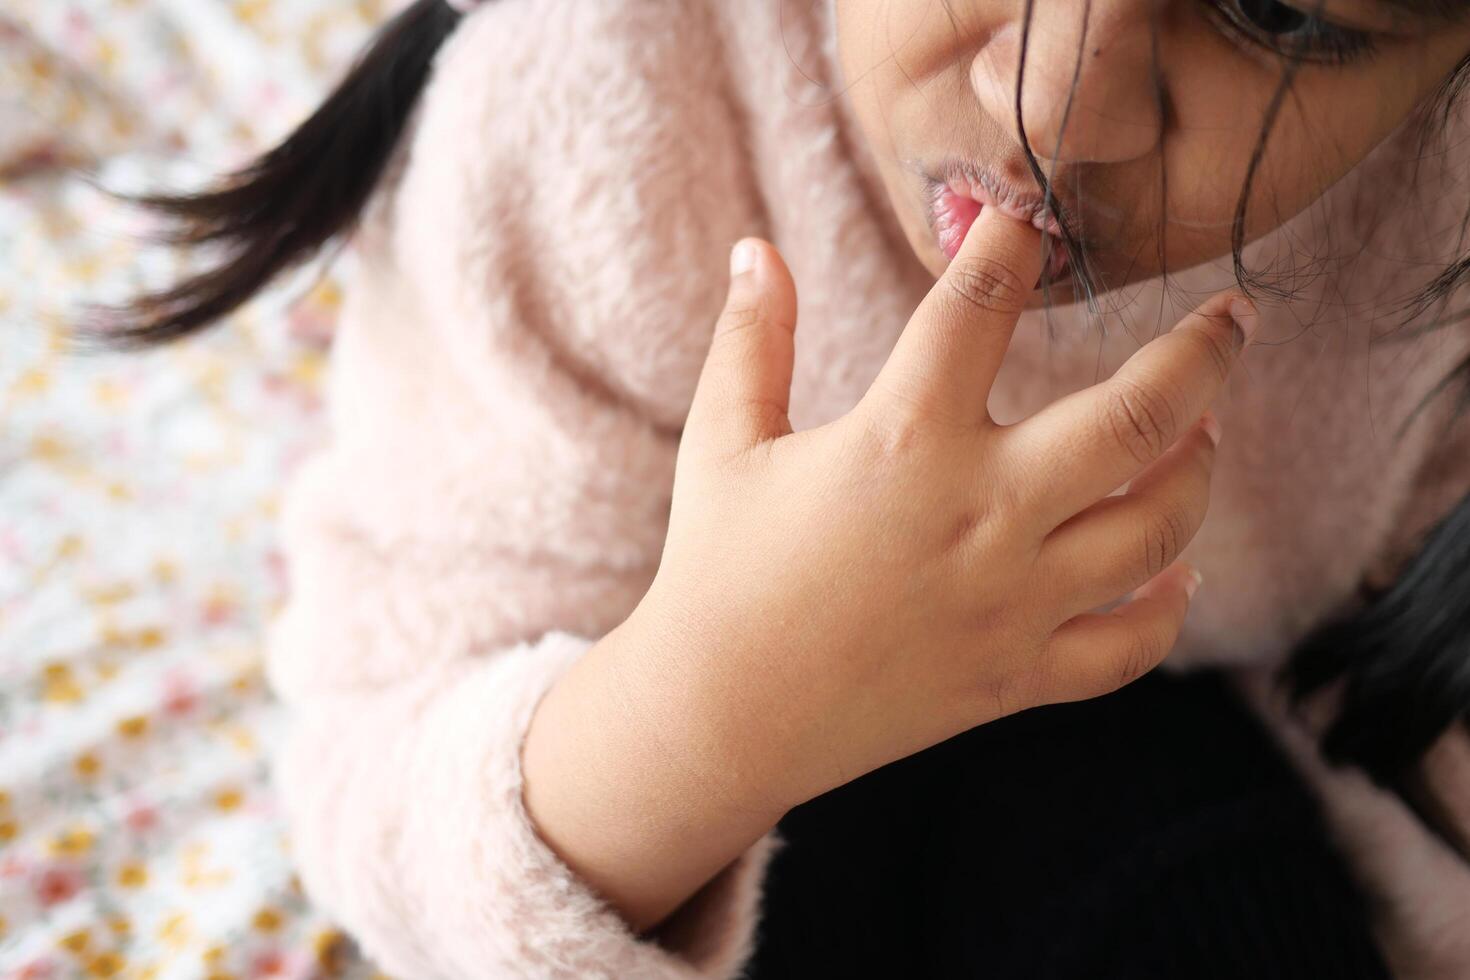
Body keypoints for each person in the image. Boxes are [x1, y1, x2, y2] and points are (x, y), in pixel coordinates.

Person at [95, 0, 1470, 975]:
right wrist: (718, 710)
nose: (1053, 109)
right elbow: (379, 772)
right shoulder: (588, 114)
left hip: (1199, 777)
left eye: (1280, 16)